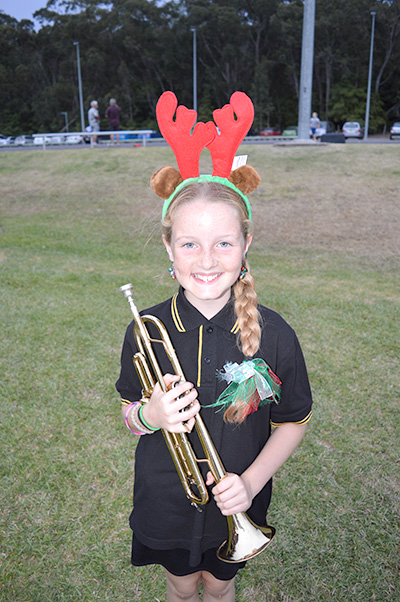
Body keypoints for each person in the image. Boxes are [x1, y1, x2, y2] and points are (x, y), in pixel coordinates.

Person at [116, 91, 313, 602]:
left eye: (223, 243)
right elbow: (129, 412)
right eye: (189, 244)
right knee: (181, 589)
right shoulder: (146, 328)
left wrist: (251, 482)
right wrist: (151, 414)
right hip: (165, 502)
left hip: (239, 502)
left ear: (245, 245)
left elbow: (292, 420)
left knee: (221, 589)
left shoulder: (275, 334)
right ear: (169, 247)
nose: (206, 260)